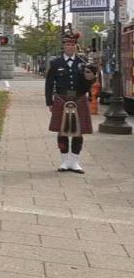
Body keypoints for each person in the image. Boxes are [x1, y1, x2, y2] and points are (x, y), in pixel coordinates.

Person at [45, 31, 96, 174]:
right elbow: (49, 84)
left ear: (76, 46)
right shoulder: (55, 63)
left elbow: (88, 85)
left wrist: (91, 78)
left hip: (79, 99)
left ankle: (74, 162)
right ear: (63, 46)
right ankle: (64, 161)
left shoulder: (83, 63)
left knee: (78, 132)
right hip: (61, 99)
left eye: (73, 44)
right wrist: (49, 102)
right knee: (62, 131)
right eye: (67, 44)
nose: (70, 47)